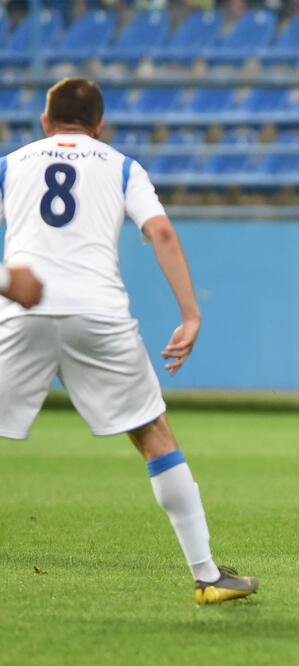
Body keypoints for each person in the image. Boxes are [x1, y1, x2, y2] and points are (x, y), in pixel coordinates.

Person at [0, 78, 258, 603]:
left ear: (45, 122)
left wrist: (9, 282)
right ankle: (207, 575)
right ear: (99, 126)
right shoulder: (119, 165)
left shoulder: (12, 163)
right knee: (153, 436)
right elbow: (161, 232)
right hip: (98, 312)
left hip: (20, 309)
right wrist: (190, 314)